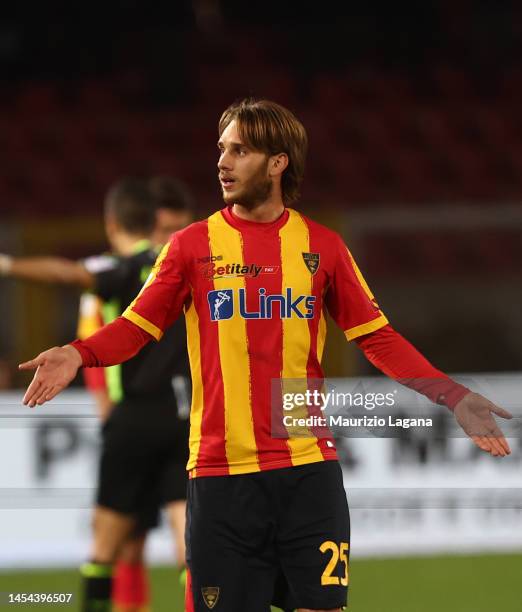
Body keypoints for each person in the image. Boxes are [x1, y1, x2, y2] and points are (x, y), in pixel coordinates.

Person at [18, 99, 512, 612]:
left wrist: (453, 396)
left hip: (307, 474)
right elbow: (136, 328)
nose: (222, 162)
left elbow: (377, 338)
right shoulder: (191, 246)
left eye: (240, 150)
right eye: (221, 149)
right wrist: (79, 354)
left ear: (278, 162)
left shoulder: (322, 247)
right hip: (219, 478)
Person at [2, 176, 194, 612]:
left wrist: (8, 266)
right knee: (190, 553)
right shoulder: (184, 267)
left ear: (112, 223)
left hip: (133, 420)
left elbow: (70, 275)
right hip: (185, 420)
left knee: (106, 550)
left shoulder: (121, 268)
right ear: (156, 220)